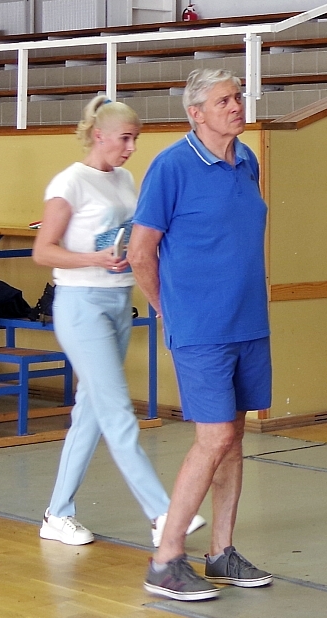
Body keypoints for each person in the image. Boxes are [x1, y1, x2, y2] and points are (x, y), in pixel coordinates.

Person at [31, 95, 206, 549]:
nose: (131, 148)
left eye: (136, 139)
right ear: (99, 135)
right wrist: (95, 258)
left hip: (117, 301)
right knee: (117, 411)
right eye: (125, 139)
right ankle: (162, 513)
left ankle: (58, 514)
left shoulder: (125, 179)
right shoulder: (69, 182)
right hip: (80, 305)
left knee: (91, 413)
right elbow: (43, 251)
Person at [128, 68, 274, 601]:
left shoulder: (247, 160)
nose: (236, 106)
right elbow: (140, 253)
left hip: (248, 322)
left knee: (233, 436)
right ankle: (166, 560)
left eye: (238, 97)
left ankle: (221, 553)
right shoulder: (171, 166)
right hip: (201, 329)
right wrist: (170, 311)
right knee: (212, 439)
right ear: (196, 113)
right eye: (223, 100)